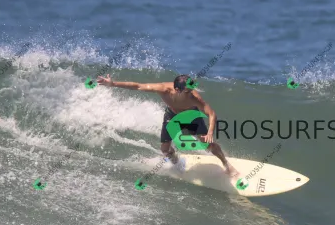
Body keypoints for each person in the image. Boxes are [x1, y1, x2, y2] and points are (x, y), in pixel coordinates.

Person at [96, 73, 238, 177]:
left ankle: (226, 164)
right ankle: (177, 162)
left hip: (191, 116)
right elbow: (138, 86)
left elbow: (211, 113)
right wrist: (113, 84)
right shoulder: (163, 89)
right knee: (165, 149)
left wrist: (210, 132)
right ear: (177, 90)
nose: (191, 93)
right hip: (172, 116)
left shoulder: (195, 98)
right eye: (187, 91)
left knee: (207, 143)